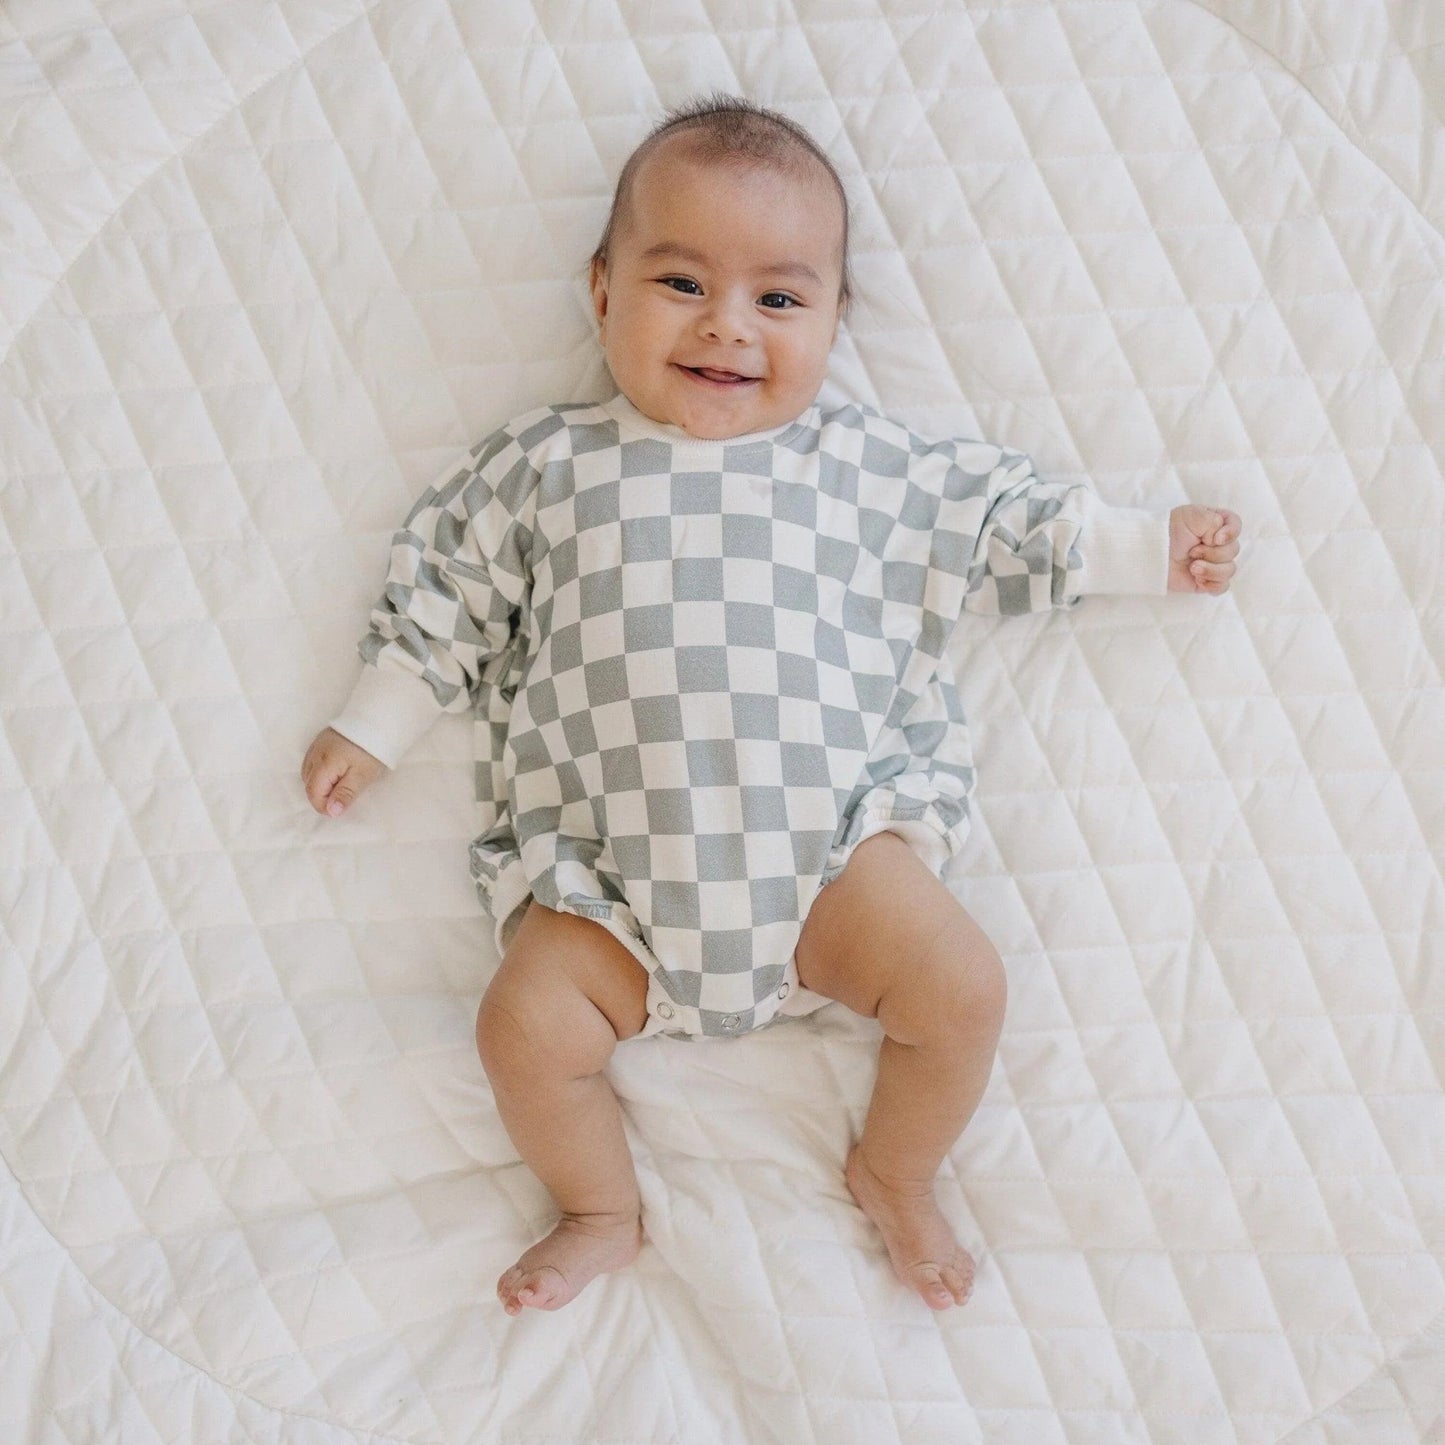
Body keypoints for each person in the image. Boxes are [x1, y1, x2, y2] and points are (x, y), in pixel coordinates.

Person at [301, 95, 1242, 1317]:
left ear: (836, 320)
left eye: (778, 299)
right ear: (600, 290)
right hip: (610, 890)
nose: (725, 328)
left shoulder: (873, 470)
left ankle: (894, 1168)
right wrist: (372, 721)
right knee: (521, 1028)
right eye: (679, 282)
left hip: (830, 867)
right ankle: (600, 1205)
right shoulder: (544, 466)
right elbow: (446, 590)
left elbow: (1007, 524)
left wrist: (1141, 548)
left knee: (961, 988)